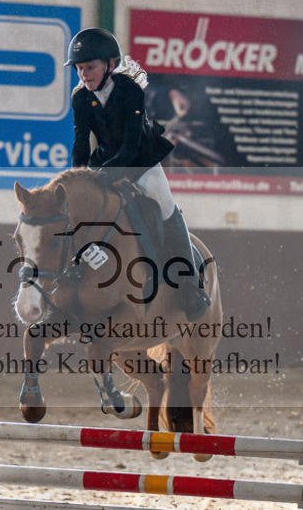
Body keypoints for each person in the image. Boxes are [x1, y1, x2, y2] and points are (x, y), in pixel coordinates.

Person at [66, 27, 211, 321]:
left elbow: (131, 144)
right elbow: (81, 141)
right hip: (105, 161)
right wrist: (76, 178)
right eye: (79, 69)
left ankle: (190, 286)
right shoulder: (80, 98)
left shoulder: (129, 90)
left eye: (89, 67)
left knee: (167, 208)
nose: (83, 74)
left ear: (109, 64)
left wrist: (111, 174)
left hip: (141, 162)